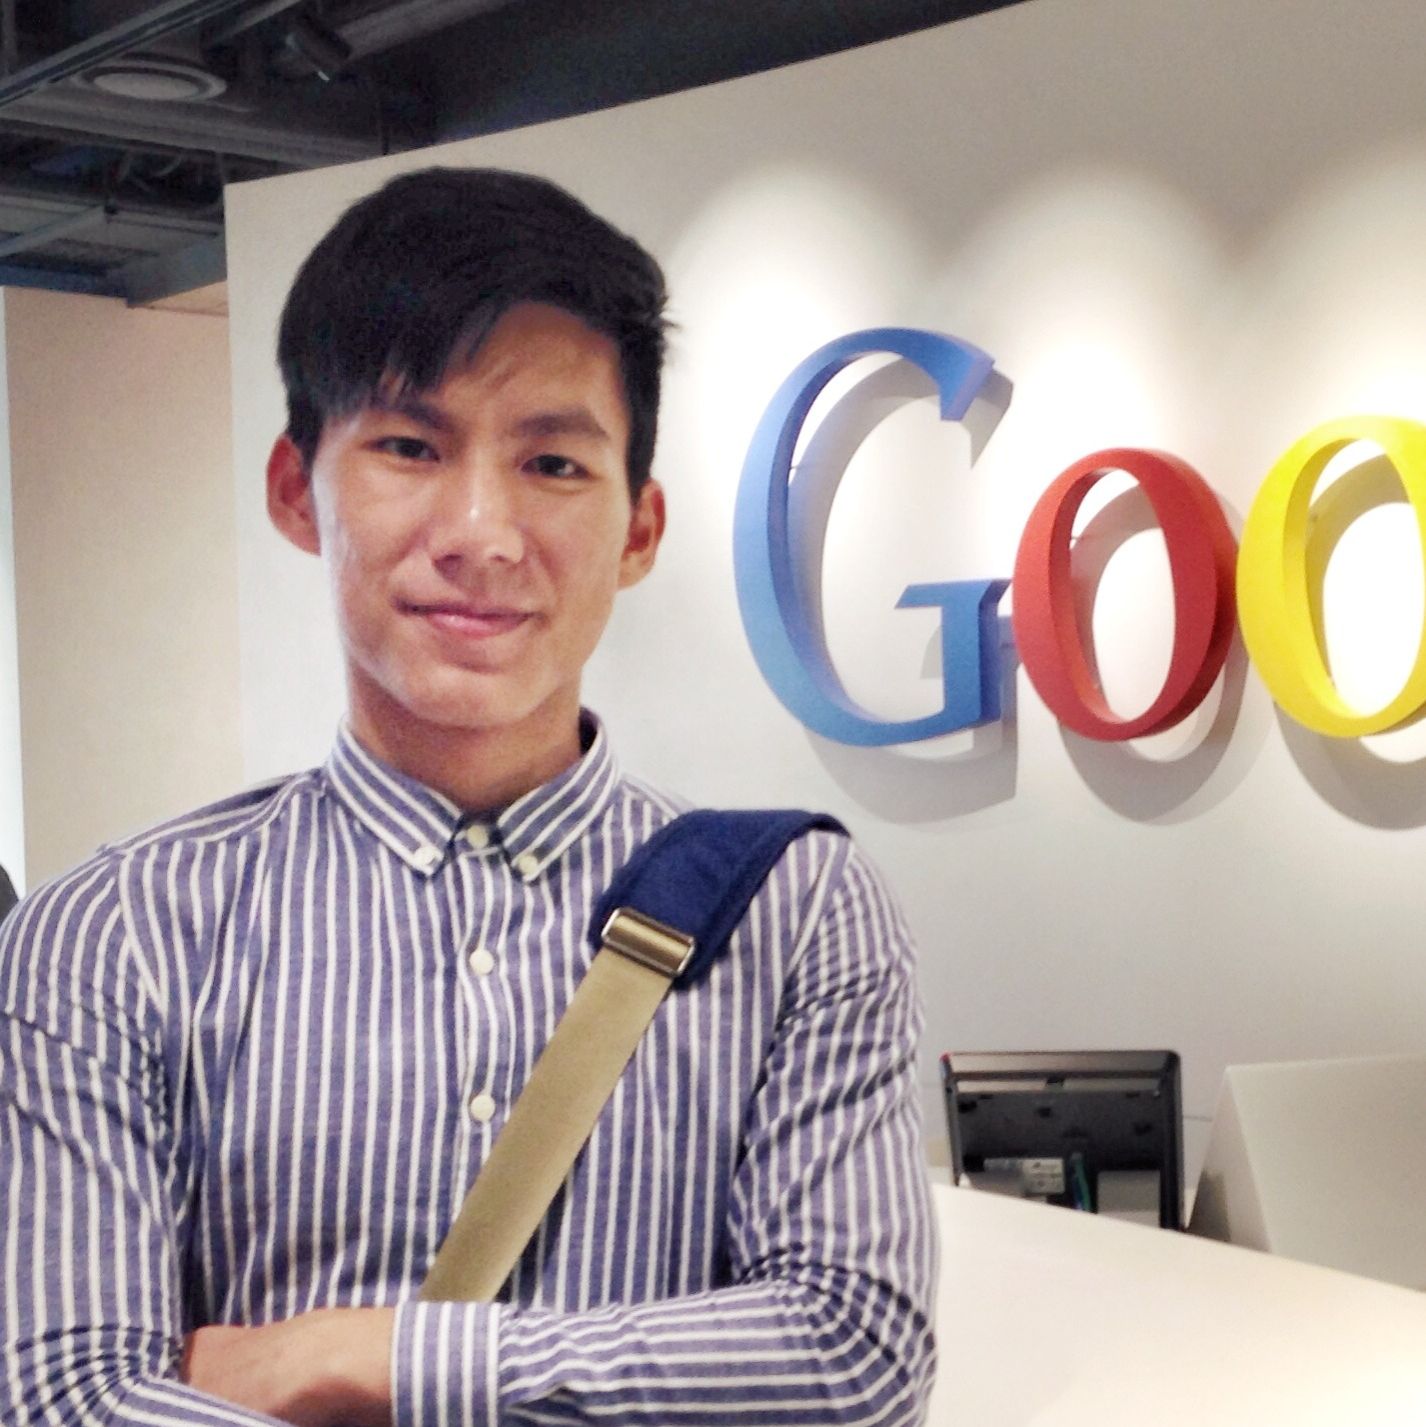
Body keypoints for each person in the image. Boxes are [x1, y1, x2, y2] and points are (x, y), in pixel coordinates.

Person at [0, 167, 935, 1426]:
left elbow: (856, 1351)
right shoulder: (111, 934)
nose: (483, 532)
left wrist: (377, 1355)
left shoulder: (799, 909)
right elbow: (64, 1396)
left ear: (638, 528)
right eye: (409, 446)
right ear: (297, 489)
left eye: (552, 461)